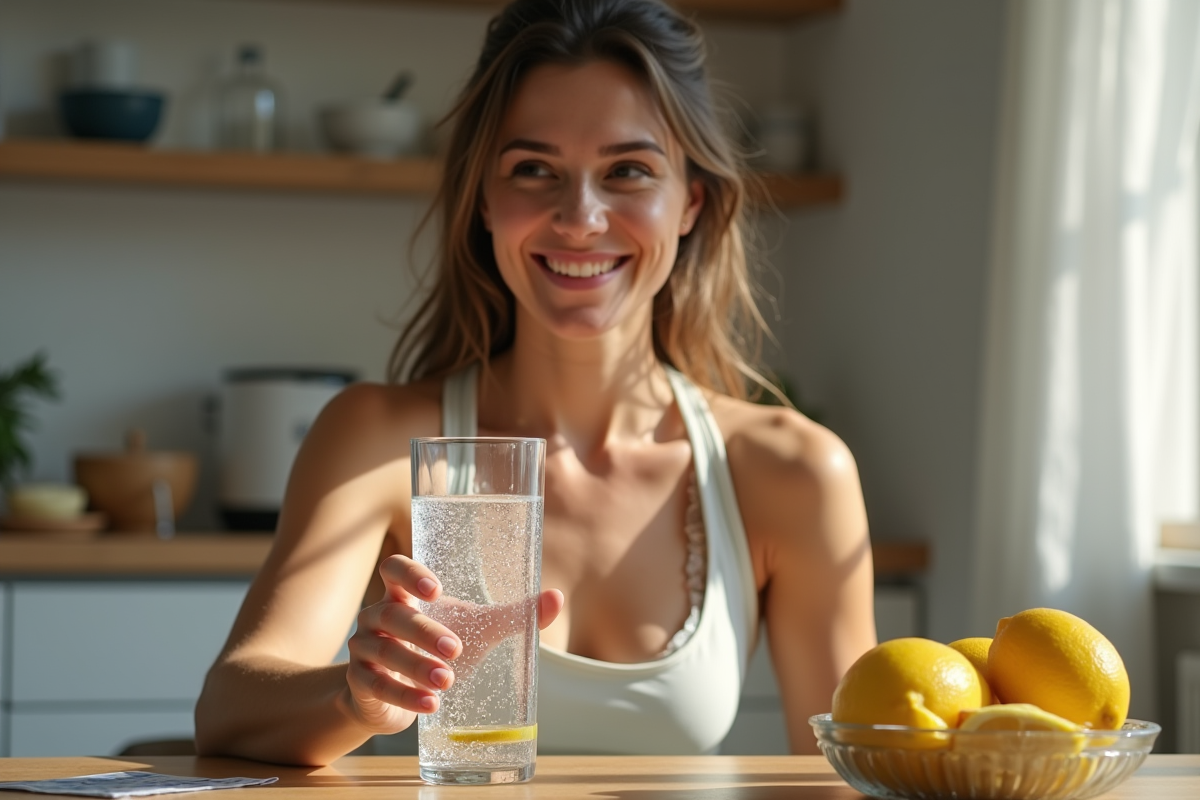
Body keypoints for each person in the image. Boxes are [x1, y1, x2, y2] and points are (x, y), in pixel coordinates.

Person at [194, 0, 876, 766]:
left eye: (627, 171)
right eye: (533, 170)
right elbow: (230, 706)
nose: (580, 218)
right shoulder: (377, 440)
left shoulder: (793, 472)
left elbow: (849, 777)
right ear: (484, 198)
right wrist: (356, 697)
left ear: (691, 200)